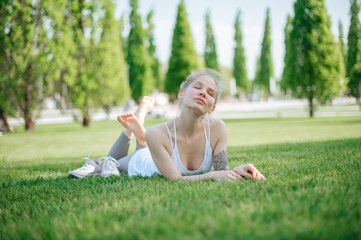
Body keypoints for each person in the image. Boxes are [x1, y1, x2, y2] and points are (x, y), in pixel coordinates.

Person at [68, 69, 265, 182]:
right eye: (197, 87)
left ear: (212, 108)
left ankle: (139, 131)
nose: (203, 93)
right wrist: (212, 176)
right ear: (181, 93)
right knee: (112, 164)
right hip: (146, 161)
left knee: (144, 142)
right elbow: (177, 181)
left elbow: (223, 170)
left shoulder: (218, 129)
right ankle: (132, 129)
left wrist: (240, 170)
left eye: (210, 93)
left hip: (157, 146)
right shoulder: (158, 133)